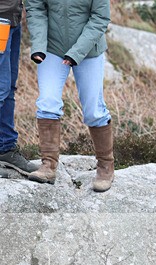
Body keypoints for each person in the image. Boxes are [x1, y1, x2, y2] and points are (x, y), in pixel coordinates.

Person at [26, 0, 115, 192]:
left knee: (94, 111)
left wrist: (77, 52)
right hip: (53, 48)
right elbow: (35, 7)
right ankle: (48, 166)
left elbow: (100, 18)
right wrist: (39, 45)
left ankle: (105, 167)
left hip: (89, 50)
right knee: (47, 103)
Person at [0, 0, 39, 177]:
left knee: (8, 89)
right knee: (1, 89)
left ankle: (6, 148)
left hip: (13, 19)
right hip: (1, 19)